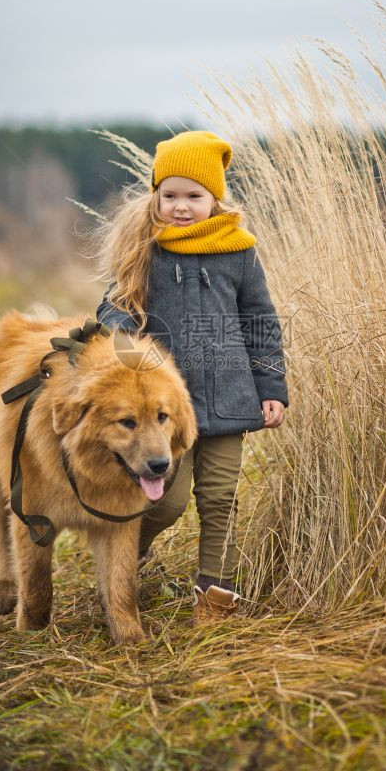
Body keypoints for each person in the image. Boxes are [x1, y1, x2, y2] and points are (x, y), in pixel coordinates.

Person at [94, 130, 289, 626]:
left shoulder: (239, 251)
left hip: (228, 397)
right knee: (166, 504)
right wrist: (121, 336)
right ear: (156, 197)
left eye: (194, 197)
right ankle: (122, 562)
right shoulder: (146, 247)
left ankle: (213, 596)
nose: (181, 207)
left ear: (214, 198)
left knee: (220, 497)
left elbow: (260, 322)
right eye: (170, 196)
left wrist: (271, 389)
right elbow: (113, 304)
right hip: (165, 407)